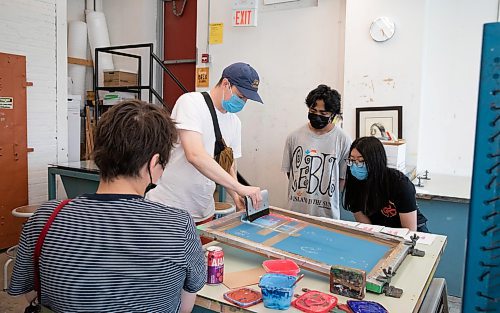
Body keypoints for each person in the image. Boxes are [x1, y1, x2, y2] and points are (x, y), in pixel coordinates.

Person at [9, 100, 206, 312]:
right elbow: (186, 305)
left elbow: (30, 291)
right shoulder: (178, 225)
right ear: (153, 162)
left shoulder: (45, 218)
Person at [147, 62, 263, 225]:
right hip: (169, 209)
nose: (243, 102)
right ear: (225, 84)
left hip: (204, 211)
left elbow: (229, 165)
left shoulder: (234, 122)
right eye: (241, 96)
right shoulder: (191, 103)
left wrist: (236, 196)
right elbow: (195, 155)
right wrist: (239, 187)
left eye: (246, 99)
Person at [281, 84, 352, 219]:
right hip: (295, 212)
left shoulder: (343, 140)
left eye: (323, 113)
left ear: (333, 115)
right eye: (313, 111)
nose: (317, 115)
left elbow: (342, 179)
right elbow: (291, 173)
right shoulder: (294, 137)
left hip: (327, 215)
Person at [342, 136, 429, 232]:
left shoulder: (399, 184)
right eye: (352, 160)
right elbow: (366, 227)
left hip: (412, 233)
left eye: (361, 161)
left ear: (375, 161)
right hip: (380, 231)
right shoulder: (354, 182)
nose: (355, 165)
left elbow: (409, 231)